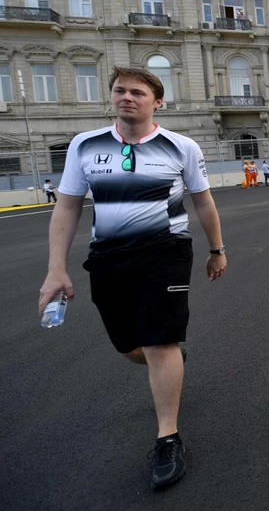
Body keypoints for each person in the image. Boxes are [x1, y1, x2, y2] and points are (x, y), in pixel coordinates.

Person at [37, 66, 226, 489]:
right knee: (128, 347)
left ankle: (168, 438)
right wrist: (55, 269)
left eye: (138, 92)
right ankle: (172, 361)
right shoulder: (85, 146)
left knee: (159, 342)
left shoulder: (182, 147)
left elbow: (204, 202)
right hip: (109, 257)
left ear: (156, 101)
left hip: (166, 252)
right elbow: (66, 207)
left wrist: (217, 250)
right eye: (120, 90)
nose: (127, 97)